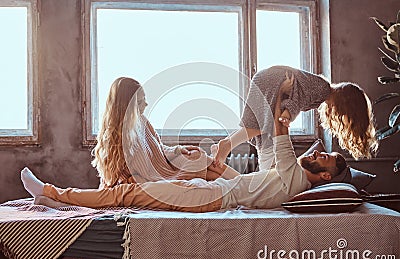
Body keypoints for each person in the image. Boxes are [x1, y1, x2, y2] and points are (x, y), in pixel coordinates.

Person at [20, 81, 347, 212]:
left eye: (325, 159)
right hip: (221, 189)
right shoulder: (289, 179)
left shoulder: (296, 177)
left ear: (323, 179)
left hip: (215, 195)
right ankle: (52, 193)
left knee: (127, 195)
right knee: (136, 190)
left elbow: (279, 127)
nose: (317, 153)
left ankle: (51, 194)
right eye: (324, 151)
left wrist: (283, 92)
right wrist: (220, 168)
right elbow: (249, 187)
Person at [212, 66, 378, 173]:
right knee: (262, 127)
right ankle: (228, 145)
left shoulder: (322, 91)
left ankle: (229, 144)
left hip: (267, 77)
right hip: (273, 80)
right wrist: (288, 113)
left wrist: (287, 110)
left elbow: (297, 94)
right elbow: (297, 97)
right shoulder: (323, 89)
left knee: (259, 127)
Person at [89, 77, 239, 189]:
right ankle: (244, 187)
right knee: (211, 174)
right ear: (127, 106)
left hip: (163, 167)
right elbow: (115, 177)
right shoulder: (116, 137)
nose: (146, 104)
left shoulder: (143, 122)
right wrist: (130, 180)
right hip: (153, 177)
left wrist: (179, 150)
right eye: (141, 102)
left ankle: (244, 182)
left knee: (199, 157)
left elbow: (159, 148)